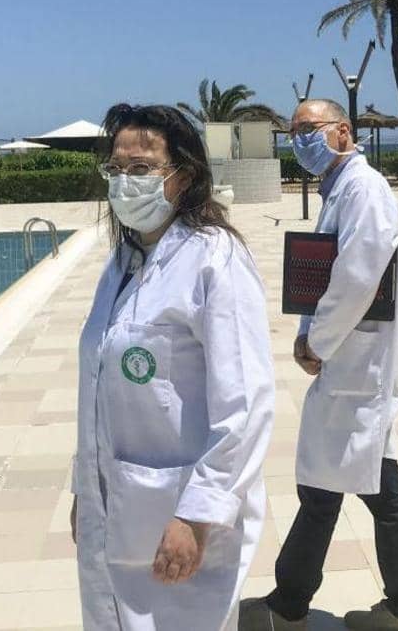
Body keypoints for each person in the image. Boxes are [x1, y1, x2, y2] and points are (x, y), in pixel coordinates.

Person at [71, 104, 275, 630]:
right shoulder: (122, 263)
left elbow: (245, 404)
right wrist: (84, 490)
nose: (125, 182)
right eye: (116, 169)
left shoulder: (214, 258)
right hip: (115, 509)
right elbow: (96, 391)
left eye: (141, 168)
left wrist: (198, 514)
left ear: (182, 176)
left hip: (178, 515)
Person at [240, 99, 398, 631]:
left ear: (342, 131)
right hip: (350, 364)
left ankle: (293, 607)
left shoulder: (364, 189)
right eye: (293, 132)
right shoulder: (343, 187)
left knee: (347, 487)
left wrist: (317, 341)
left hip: (356, 364)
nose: (299, 140)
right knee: (362, 485)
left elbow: (357, 276)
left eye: (309, 129)